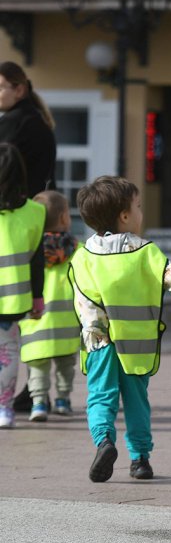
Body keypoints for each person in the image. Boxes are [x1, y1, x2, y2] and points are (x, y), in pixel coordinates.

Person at [69, 176, 171, 481]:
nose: (140, 211)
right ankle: (140, 459)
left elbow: (82, 300)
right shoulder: (145, 252)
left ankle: (104, 441)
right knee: (137, 402)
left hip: (98, 343)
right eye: (137, 206)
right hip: (136, 346)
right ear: (124, 216)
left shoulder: (83, 256)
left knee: (100, 397)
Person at [1, 61, 57, 415]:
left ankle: (30, 394)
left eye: (2, 86)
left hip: (14, 222)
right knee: (31, 326)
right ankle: (34, 392)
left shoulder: (15, 125)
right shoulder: (36, 122)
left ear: (19, 89)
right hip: (31, 220)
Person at [20, 190, 80, 422]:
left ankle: (38, 403)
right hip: (67, 322)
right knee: (66, 364)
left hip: (36, 319)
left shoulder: (30, 250)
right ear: (65, 218)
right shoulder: (77, 249)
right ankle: (63, 400)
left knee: (37, 365)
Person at [0, 144, 45, 428]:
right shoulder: (35, 212)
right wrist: (38, 299)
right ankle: (4, 408)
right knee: (8, 352)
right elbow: (36, 260)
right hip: (13, 299)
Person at [0, 61, 55, 196]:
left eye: (0, 88)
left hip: (13, 209)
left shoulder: (14, 122)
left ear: (19, 90)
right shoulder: (37, 119)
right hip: (36, 207)